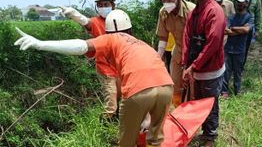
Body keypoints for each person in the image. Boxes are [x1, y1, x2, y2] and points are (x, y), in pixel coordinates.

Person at [14, 9, 173, 147]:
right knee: (156, 139)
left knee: (126, 142)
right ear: (130, 30)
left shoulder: (112, 38)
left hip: (139, 91)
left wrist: (41, 44)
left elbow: (81, 46)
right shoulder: (141, 44)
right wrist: (146, 118)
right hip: (167, 87)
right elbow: (152, 82)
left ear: (108, 31)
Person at [60, 0, 119, 120]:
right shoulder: (96, 22)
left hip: (120, 66)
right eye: (100, 5)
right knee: (111, 99)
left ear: (113, 5)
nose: (103, 7)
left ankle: (118, 122)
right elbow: (86, 22)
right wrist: (75, 15)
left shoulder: (119, 19)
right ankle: (105, 125)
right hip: (105, 68)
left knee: (122, 95)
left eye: (106, 4)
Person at [182, 0, 226, 147]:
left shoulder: (214, 12)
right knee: (197, 102)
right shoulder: (194, 12)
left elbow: (212, 44)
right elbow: (186, 38)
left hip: (211, 69)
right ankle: (200, 131)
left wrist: (193, 67)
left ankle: (210, 136)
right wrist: (185, 65)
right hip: (195, 68)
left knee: (210, 103)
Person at [156, 0, 195, 107]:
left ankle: (192, 113)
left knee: (193, 86)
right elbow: (163, 38)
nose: (166, 2)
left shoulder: (192, 10)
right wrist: (157, 58)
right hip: (178, 51)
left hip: (193, 51)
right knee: (175, 85)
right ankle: (179, 110)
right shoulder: (163, 13)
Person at [222, 0, 254, 97]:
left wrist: (234, 28)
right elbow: (226, 31)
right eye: (237, 2)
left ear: (246, 3)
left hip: (240, 49)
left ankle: (237, 91)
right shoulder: (231, 17)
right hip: (228, 48)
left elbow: (247, 30)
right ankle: (224, 92)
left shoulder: (249, 17)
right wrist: (240, 29)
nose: (239, 4)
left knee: (238, 72)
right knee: (226, 71)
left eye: (241, 2)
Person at [240, 0, 262, 67]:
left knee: (245, 49)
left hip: (250, 28)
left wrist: (257, 30)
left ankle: (241, 67)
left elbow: (258, 15)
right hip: (239, 25)